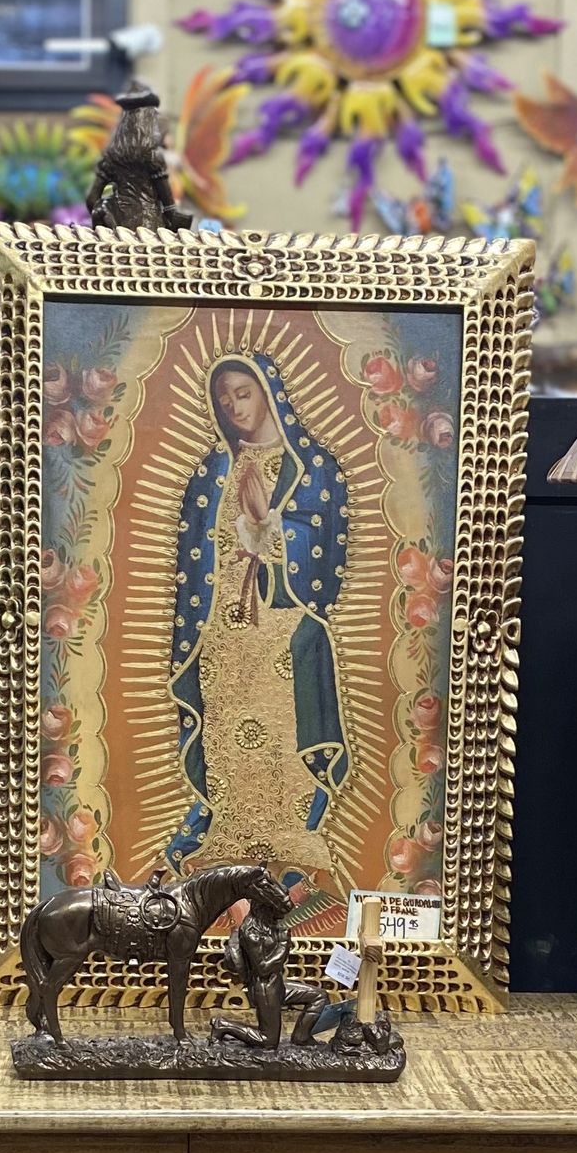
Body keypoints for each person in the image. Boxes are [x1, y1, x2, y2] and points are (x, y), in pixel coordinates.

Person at [164, 351, 350, 897]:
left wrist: (269, 526)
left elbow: (323, 549)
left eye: (242, 392)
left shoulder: (313, 467)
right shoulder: (212, 470)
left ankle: (291, 842)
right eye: (224, 398)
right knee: (226, 729)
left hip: (286, 622)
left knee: (284, 736)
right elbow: (193, 555)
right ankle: (229, 837)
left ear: (269, 393)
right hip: (224, 627)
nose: (233, 405)